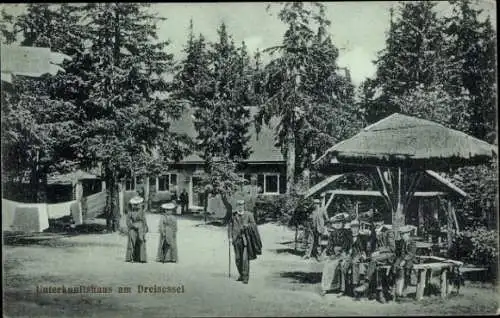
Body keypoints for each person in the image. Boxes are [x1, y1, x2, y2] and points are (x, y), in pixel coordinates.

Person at [356, 224, 396, 302]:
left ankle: (366, 284)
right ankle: (368, 293)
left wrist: (379, 251)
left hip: (389, 255)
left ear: (382, 222)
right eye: (375, 222)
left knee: (373, 260)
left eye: (379, 222)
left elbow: (392, 248)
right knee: (363, 262)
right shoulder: (374, 231)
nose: (377, 224)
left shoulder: (388, 231)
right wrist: (365, 253)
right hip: (377, 256)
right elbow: (371, 246)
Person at [228, 199, 262, 284]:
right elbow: (230, 226)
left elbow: (254, 225)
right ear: (237, 206)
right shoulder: (233, 215)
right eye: (239, 205)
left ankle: (245, 277)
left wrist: (248, 225)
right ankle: (241, 275)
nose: (240, 207)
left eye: (242, 205)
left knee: (245, 259)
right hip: (236, 240)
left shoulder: (249, 215)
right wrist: (230, 237)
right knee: (238, 259)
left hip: (246, 240)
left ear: (244, 206)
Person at [320, 213, 351, 296]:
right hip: (334, 254)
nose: (337, 224)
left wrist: (342, 251)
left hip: (344, 253)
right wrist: (331, 253)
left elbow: (348, 243)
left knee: (341, 265)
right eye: (336, 223)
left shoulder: (347, 233)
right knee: (328, 265)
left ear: (343, 224)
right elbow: (329, 245)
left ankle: (342, 289)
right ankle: (326, 288)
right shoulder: (332, 233)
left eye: (340, 223)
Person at [341, 219, 369, 295]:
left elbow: (365, 250)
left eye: (356, 227)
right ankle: (343, 289)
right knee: (343, 266)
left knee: (355, 264)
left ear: (359, 228)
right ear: (350, 228)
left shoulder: (363, 237)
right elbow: (344, 249)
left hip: (359, 255)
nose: (354, 229)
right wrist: (344, 259)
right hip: (349, 255)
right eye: (353, 227)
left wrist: (363, 256)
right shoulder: (348, 237)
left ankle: (355, 286)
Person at [393, 225, 417, 298]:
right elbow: (399, 251)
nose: (402, 235)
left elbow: (411, 253)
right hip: (402, 258)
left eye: (404, 234)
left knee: (407, 268)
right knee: (395, 266)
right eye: (401, 234)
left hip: (410, 259)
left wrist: (404, 260)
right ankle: (396, 287)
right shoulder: (402, 242)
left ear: (408, 233)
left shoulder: (411, 242)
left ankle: (404, 288)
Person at [125, 196, 148, 263]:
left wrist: (145, 227)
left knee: (141, 241)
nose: (136, 206)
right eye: (134, 204)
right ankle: (131, 258)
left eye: (137, 204)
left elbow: (144, 220)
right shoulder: (130, 212)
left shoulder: (142, 212)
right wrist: (133, 226)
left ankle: (142, 258)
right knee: (132, 242)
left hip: (141, 228)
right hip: (133, 228)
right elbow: (128, 221)